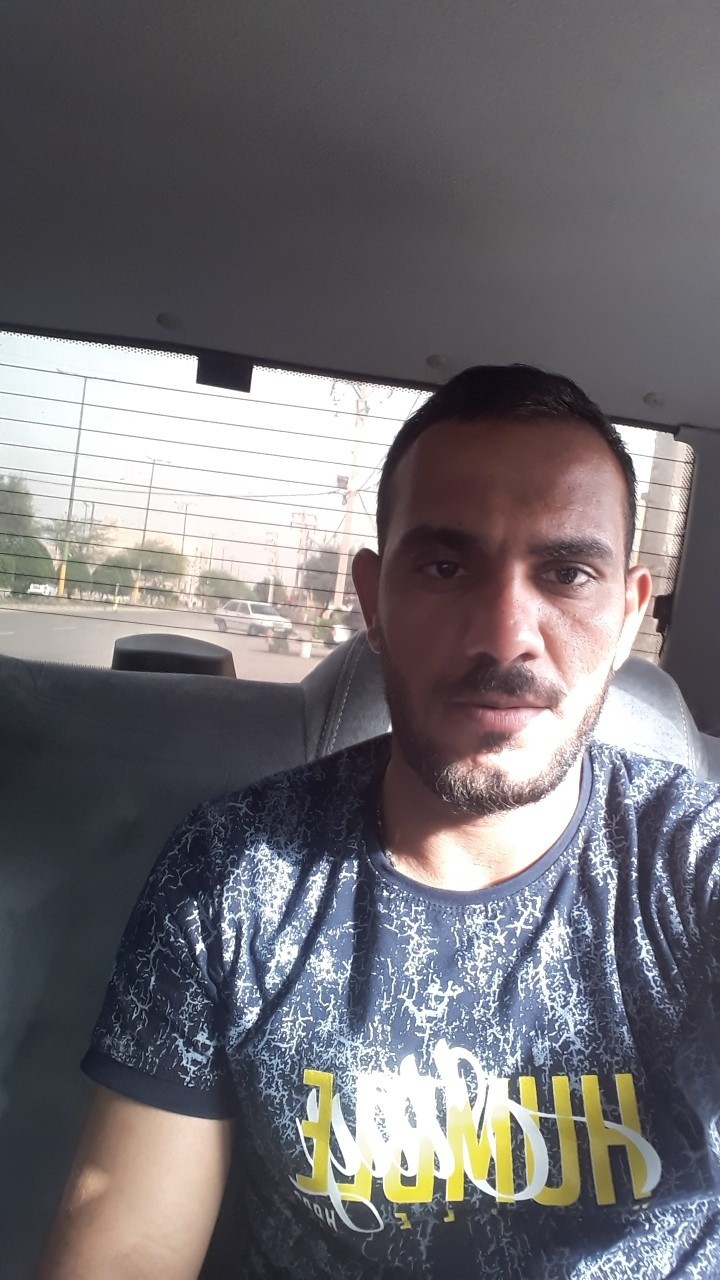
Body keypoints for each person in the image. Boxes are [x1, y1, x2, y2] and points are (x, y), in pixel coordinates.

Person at [38, 365, 720, 1279]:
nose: (506, 634)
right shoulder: (234, 875)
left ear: (629, 614)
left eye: (567, 573)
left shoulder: (695, 863)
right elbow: (124, 1251)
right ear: (373, 600)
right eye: (445, 567)